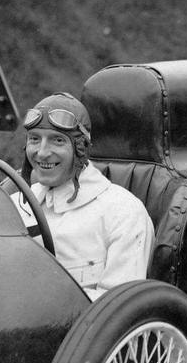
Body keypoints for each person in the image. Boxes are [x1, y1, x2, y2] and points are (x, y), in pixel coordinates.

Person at [12, 92, 153, 300]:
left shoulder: (124, 214)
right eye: (34, 139)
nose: (41, 153)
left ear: (81, 149)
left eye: (57, 140)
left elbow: (118, 310)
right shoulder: (16, 206)